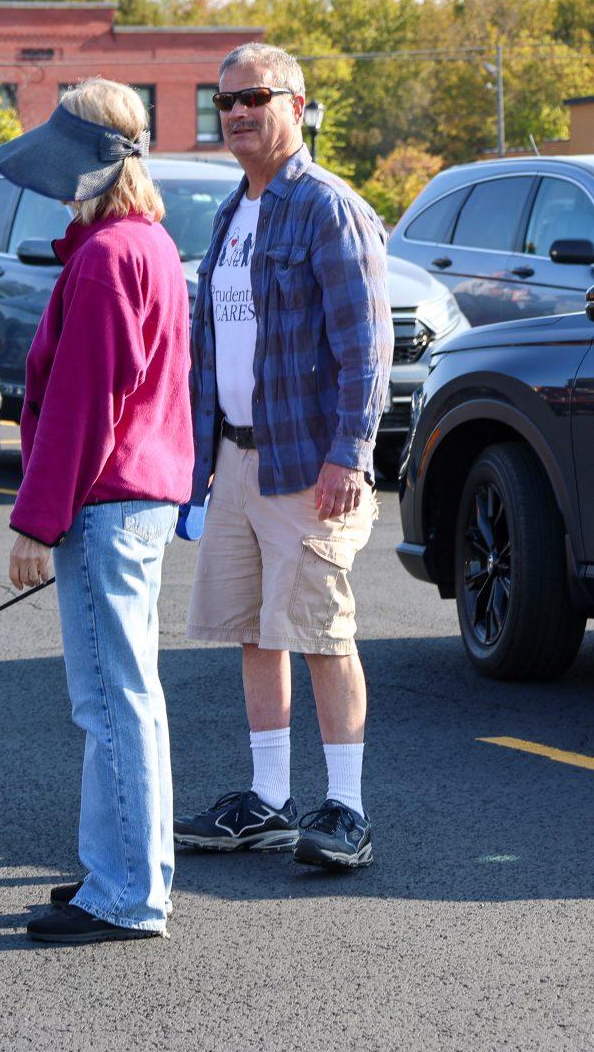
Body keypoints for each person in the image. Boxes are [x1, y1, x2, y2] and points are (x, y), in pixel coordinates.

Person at [175, 43, 392, 869]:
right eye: (224, 100)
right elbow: (212, 347)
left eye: (254, 97)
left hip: (306, 462)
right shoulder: (233, 212)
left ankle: (347, 812)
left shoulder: (326, 207)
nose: (236, 112)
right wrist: (199, 459)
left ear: (295, 107)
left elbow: (365, 348)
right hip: (235, 459)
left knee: (320, 633)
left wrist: (348, 454)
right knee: (252, 631)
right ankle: (267, 801)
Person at [0, 79, 194, 943]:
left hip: (107, 503)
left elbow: (83, 404)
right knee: (124, 699)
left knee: (111, 704)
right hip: (135, 498)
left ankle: (127, 894)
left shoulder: (110, 256)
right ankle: (123, 872)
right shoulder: (145, 244)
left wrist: (35, 522)